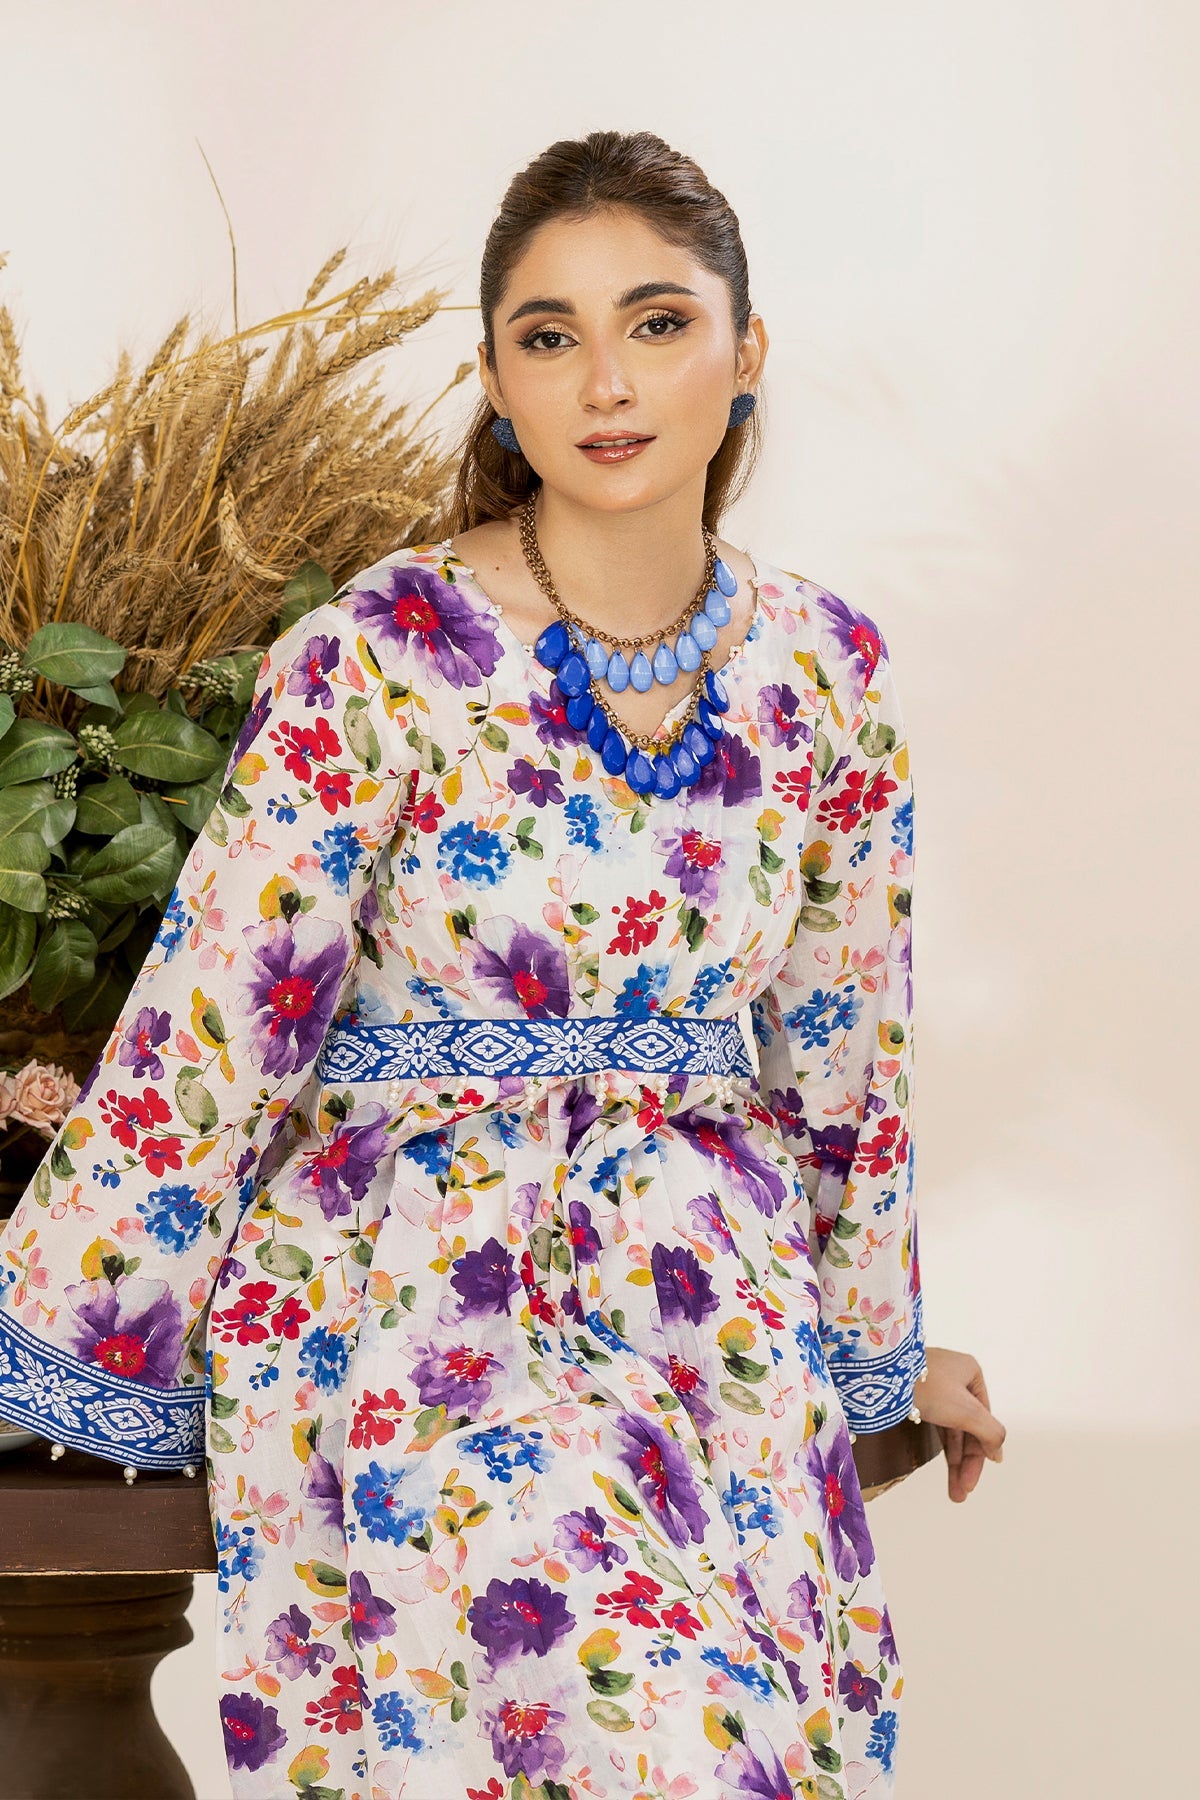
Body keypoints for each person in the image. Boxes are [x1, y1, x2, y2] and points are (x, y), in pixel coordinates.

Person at [0, 129, 1004, 1800]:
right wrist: (59, 1331)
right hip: (420, 1287)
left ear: (746, 352)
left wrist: (880, 1354)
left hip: (706, 1303)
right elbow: (215, 1032)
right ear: (494, 381)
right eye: (551, 336)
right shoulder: (377, 657)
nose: (607, 381)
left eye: (658, 323)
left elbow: (848, 1055)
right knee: (639, 1729)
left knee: (752, 1751)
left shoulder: (826, 667)